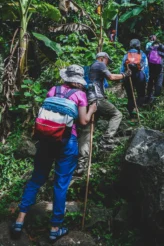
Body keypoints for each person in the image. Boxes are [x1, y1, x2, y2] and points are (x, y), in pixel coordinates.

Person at [11, 65, 97, 242]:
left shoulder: (53, 89)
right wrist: (92, 109)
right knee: (60, 184)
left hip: (46, 140)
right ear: (80, 80)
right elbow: (83, 121)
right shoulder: (80, 95)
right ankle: (55, 228)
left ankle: (19, 220)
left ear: (66, 77)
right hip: (67, 142)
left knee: (36, 179)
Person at [76, 52, 131, 174]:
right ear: (102, 58)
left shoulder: (91, 67)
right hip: (97, 99)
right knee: (117, 114)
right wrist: (124, 75)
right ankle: (106, 138)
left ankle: (81, 164)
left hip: (89, 100)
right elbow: (111, 77)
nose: (107, 63)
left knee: (87, 131)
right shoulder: (99, 64)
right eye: (107, 61)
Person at [121, 39, 149, 120]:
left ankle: (131, 114)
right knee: (141, 95)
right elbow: (146, 68)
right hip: (139, 76)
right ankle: (136, 109)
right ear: (139, 45)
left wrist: (122, 79)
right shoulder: (142, 54)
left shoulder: (126, 55)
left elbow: (122, 68)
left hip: (128, 76)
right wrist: (146, 79)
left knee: (130, 97)